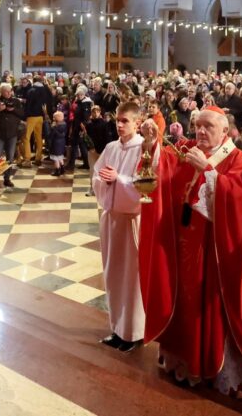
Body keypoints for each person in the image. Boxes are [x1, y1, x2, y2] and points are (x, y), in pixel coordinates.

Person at [138, 106, 242, 394]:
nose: (200, 131)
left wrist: (208, 170)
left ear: (224, 130)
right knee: (182, 302)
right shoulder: (187, 148)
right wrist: (152, 143)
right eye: (197, 125)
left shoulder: (237, 158)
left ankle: (211, 365)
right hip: (182, 245)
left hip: (213, 251)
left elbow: (238, 200)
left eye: (208, 127)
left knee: (207, 307)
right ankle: (183, 361)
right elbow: (162, 164)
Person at [91, 102, 146, 352]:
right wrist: (104, 181)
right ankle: (117, 328)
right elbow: (96, 174)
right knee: (112, 273)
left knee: (131, 277)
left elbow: (146, 185)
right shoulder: (111, 147)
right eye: (117, 120)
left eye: (125, 121)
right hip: (110, 218)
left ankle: (134, 332)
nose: (120, 125)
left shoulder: (143, 148)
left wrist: (119, 180)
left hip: (131, 219)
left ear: (137, 122)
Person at [0, 84, 24, 188]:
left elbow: (22, 114)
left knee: (10, 158)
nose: (9, 93)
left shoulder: (16, 101)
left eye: (10, 91)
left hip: (12, 134)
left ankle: (7, 179)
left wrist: (13, 110)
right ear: (1, 92)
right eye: (6, 91)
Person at [47, 111, 67, 177]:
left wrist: (51, 128)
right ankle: (62, 169)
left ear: (56, 118)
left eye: (54, 117)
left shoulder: (55, 127)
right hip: (62, 143)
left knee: (55, 158)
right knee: (60, 156)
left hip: (55, 143)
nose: (53, 118)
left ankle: (57, 170)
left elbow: (51, 135)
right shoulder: (64, 124)